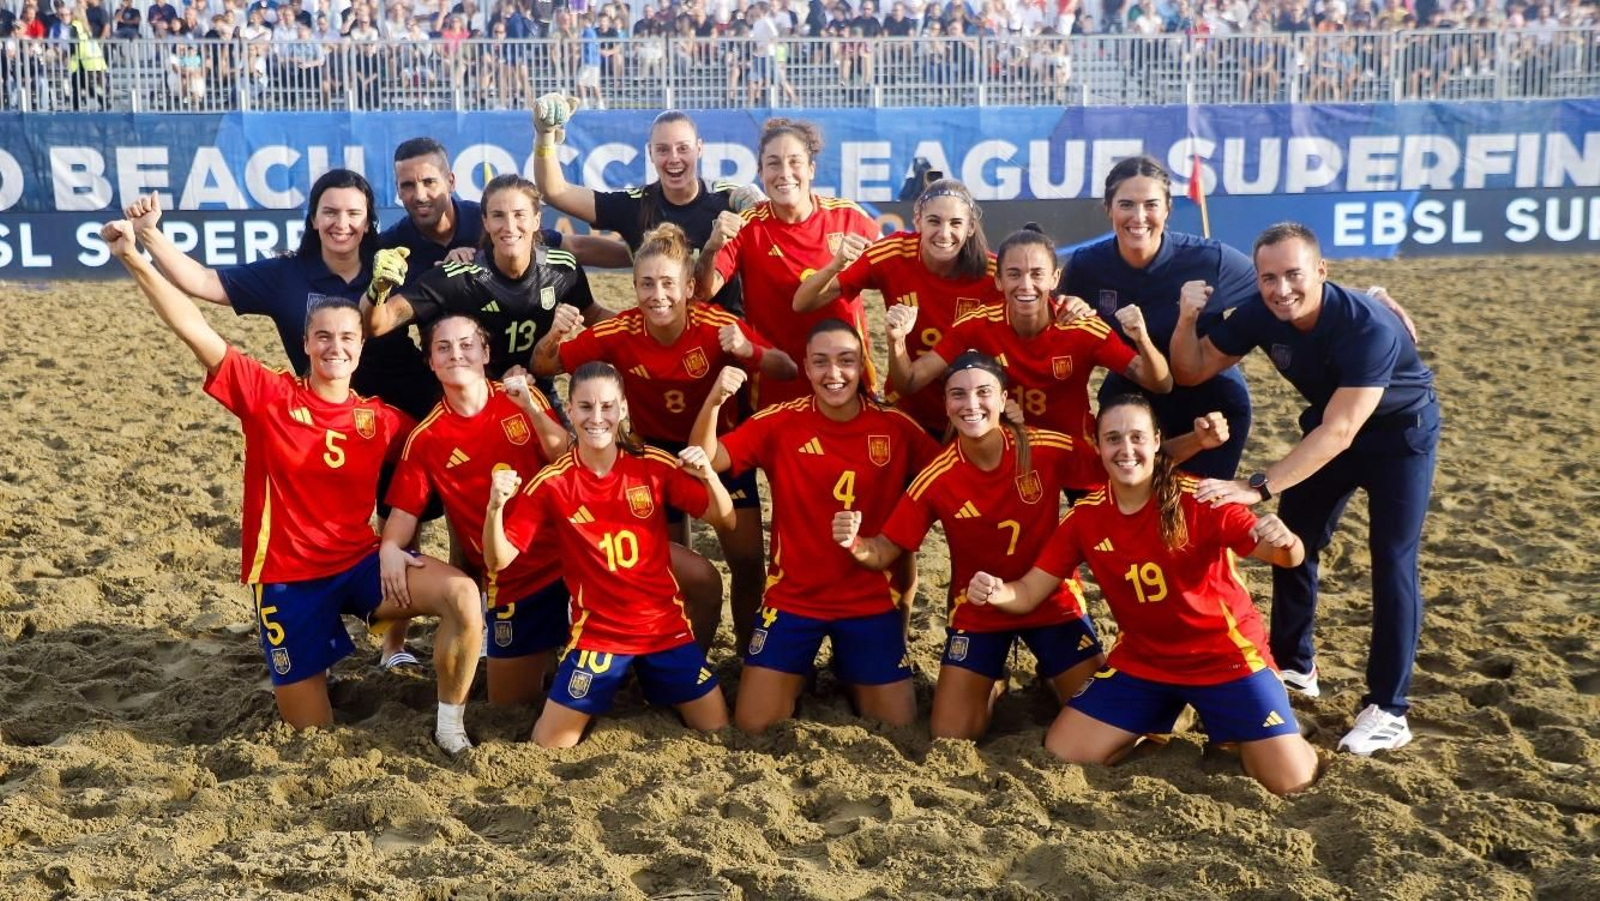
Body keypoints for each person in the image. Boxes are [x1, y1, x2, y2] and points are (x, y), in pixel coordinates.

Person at [100, 219, 483, 754]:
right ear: (305, 342)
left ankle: (449, 727)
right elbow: (194, 328)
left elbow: (456, 442)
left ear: (360, 348)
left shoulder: (382, 420)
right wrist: (135, 258)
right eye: (323, 336)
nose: (335, 347)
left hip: (359, 566)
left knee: (462, 594)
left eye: (347, 337)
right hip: (289, 581)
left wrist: (397, 547)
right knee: (312, 736)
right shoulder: (269, 396)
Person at [839, 352, 1233, 739]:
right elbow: (887, 549)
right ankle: (992, 679)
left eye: (983, 392)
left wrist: (1196, 442)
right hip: (979, 610)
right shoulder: (937, 476)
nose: (970, 404)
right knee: (950, 734)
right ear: (945, 404)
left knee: (1105, 715)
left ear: (1003, 399)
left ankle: (1053, 674)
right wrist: (856, 544)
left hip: (1052, 603)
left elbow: (1130, 465)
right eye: (957, 394)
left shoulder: (1046, 448)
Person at [124, 173, 427, 668]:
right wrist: (150, 237)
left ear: (370, 220)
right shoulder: (289, 273)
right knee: (319, 525)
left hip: (390, 416)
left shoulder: (396, 263)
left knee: (409, 522)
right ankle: (315, 622)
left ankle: (395, 647)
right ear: (312, 218)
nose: (341, 223)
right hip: (313, 411)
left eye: (353, 213)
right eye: (329, 212)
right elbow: (203, 285)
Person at [1170, 222, 1440, 757]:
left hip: (1398, 435)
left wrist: (1258, 486)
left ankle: (1389, 709)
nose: (1280, 289)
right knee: (1293, 544)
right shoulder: (1259, 311)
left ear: (1321, 271)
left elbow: (1343, 431)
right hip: (1325, 430)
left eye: (1294, 274)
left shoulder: (1368, 328)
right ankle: (1295, 666)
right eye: (1268, 277)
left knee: (1391, 560)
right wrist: (1186, 319)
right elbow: (1192, 369)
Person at [965, 393, 1319, 795]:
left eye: (1136, 437)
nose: (1126, 449)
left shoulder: (1202, 497)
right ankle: (1167, 719)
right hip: (1144, 662)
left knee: (1289, 782)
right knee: (1063, 752)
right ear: (1098, 448)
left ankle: (1274, 724)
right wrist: (998, 592)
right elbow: (1029, 592)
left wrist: (1286, 541)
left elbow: (1286, 557)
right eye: (1113, 439)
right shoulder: (1085, 516)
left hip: (1227, 660)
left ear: (1156, 441)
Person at [1060, 155, 1416, 479]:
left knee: (1199, 517)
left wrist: (1370, 295)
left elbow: (1288, 284)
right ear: (1108, 208)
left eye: (1151, 205)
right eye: (1126, 205)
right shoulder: (1087, 267)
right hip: (1131, 397)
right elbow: (1049, 316)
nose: (1139, 217)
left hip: (1210, 398)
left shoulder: (1208, 259)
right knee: (1125, 512)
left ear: (1168, 209)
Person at [530, 223, 798, 652]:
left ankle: (751, 656)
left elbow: (786, 368)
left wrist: (750, 351)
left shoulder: (717, 326)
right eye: (646, 284)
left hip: (721, 452)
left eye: (668, 284)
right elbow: (545, 365)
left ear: (690, 286)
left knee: (747, 562)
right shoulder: (621, 331)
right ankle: (678, 649)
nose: (658, 295)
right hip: (655, 453)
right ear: (633, 287)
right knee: (670, 565)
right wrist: (555, 334)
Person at [691, 320, 941, 734]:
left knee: (898, 724)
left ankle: (848, 666)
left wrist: (897, 534)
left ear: (862, 364)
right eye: (821, 362)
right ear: (805, 367)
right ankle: (797, 669)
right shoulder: (781, 422)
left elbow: (946, 480)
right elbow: (707, 458)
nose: (834, 373)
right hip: (793, 600)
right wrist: (715, 402)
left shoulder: (895, 426)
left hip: (867, 600)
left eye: (846, 361)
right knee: (754, 724)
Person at [483, 362, 735, 747]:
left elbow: (725, 519)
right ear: (569, 411)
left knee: (717, 729)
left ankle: (659, 679)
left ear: (623, 411)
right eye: (585, 407)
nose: (596, 418)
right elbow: (499, 560)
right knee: (549, 745)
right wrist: (495, 508)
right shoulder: (553, 482)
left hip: (663, 629)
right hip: (599, 635)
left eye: (606, 407)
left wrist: (710, 476)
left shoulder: (653, 464)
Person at [382, 313, 575, 708]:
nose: (457, 354)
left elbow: (564, 453)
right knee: (508, 706)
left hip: (572, 565)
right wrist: (389, 547)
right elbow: (402, 517)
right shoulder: (427, 438)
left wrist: (534, 411)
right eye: (444, 347)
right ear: (430, 362)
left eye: (467, 344)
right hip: (513, 581)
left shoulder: (522, 398)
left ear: (486, 353)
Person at [889, 224, 1175, 479]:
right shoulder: (976, 324)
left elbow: (1160, 383)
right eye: (1014, 274)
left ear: (1054, 279)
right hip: (1011, 452)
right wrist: (897, 341)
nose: (1026, 285)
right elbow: (910, 381)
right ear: (999, 281)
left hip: (1074, 449)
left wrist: (1142, 340)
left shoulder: (1081, 326)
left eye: (1036, 274)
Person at [362, 174, 606, 402]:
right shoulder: (458, 278)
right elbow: (379, 324)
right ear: (485, 222)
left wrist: (642, 324)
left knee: (565, 446)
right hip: (472, 400)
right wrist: (379, 289)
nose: (509, 226)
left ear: (536, 220)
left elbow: (594, 314)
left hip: (536, 394)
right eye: (498, 215)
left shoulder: (562, 268)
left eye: (519, 215)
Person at [693, 118, 880, 411]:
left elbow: (898, 267)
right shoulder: (747, 226)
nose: (785, 174)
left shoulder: (850, 218)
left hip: (845, 381)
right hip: (776, 388)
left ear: (811, 169)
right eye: (774, 164)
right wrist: (710, 247)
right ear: (761, 172)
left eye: (795, 162)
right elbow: (703, 291)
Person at [794, 178, 1000, 436]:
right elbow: (803, 302)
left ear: (970, 227)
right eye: (934, 221)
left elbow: (1042, 308)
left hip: (973, 414)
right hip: (909, 410)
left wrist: (1066, 302)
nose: (944, 233)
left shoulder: (994, 273)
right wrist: (836, 264)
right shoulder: (892, 253)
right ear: (917, 221)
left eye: (956, 223)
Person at [531, 104, 756, 315]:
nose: (673, 158)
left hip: (725, 337)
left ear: (699, 149)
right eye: (663, 150)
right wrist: (544, 138)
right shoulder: (635, 205)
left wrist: (765, 204)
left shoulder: (728, 201)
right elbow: (556, 191)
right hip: (664, 341)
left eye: (683, 148)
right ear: (650, 153)